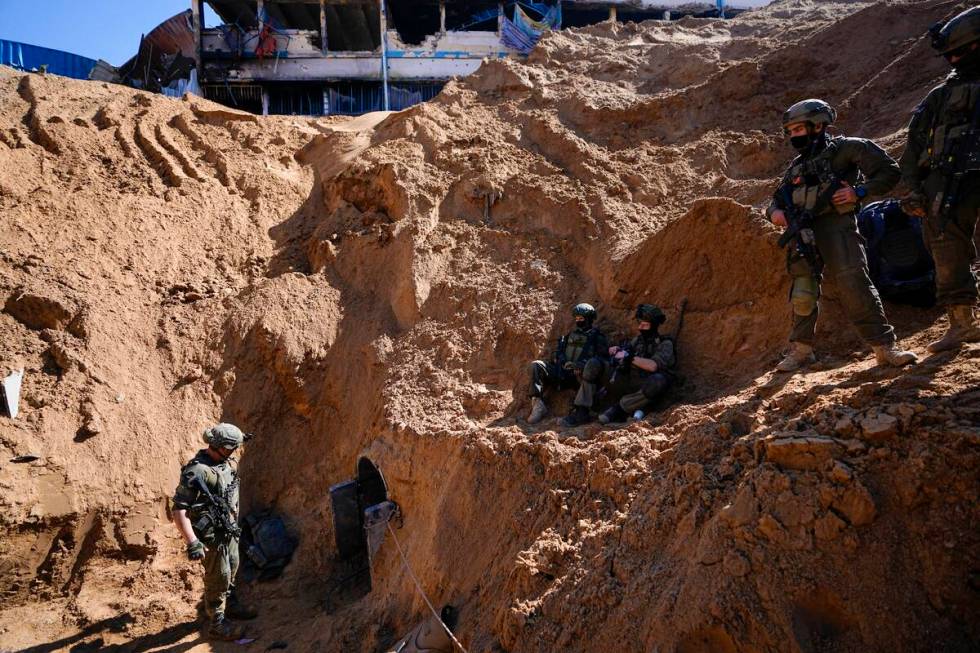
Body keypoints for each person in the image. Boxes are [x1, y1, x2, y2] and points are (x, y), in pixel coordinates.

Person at [766, 99, 918, 371]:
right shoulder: (796, 167)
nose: (793, 136)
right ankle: (802, 351)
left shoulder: (847, 149)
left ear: (818, 125)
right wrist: (774, 214)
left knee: (854, 284)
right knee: (803, 291)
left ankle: (885, 348)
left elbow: (889, 171)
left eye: (798, 129)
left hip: (838, 226)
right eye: (790, 132)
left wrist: (858, 192)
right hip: (803, 233)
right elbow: (776, 200)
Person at [899, 5, 980, 352]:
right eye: (951, 55)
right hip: (948, 183)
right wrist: (914, 189)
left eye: (961, 52)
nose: (954, 61)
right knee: (946, 248)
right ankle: (962, 324)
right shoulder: (941, 96)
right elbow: (914, 144)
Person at [172, 423, 257, 641]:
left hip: (229, 530)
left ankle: (231, 605)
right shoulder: (197, 471)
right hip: (210, 535)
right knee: (218, 576)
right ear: (219, 446)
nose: (234, 452)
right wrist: (192, 542)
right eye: (231, 448)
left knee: (233, 567)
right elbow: (179, 509)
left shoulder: (227, 462)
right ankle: (217, 623)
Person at [526, 303, 608, 427]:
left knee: (590, 370)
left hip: (580, 377)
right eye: (577, 319)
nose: (579, 321)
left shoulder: (597, 338)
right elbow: (558, 353)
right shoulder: (569, 336)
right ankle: (538, 404)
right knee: (536, 365)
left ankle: (582, 412)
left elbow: (601, 359)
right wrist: (561, 360)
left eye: (582, 319)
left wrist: (581, 366)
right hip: (563, 373)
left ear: (590, 319)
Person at [598, 304, 676, 425]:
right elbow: (626, 352)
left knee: (658, 380)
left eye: (645, 325)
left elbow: (653, 366)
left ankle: (620, 409)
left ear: (654, 325)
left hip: (648, 387)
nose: (640, 328)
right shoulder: (637, 340)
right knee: (600, 366)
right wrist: (618, 351)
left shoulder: (665, 344)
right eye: (640, 324)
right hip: (632, 381)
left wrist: (629, 357)